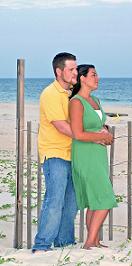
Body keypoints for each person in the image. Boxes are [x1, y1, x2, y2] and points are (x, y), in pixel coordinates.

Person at [32, 52, 79, 252]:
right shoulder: (50, 94)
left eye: (76, 69)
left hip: (73, 154)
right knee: (55, 200)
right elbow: (62, 127)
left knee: (71, 203)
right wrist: (90, 136)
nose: (75, 72)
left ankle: (64, 243)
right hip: (55, 154)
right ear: (59, 72)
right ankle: (42, 245)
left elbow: (77, 122)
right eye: (71, 69)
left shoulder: (70, 94)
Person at [69, 64, 118, 249]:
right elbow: (77, 133)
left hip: (99, 154)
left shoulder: (95, 100)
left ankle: (95, 241)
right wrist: (102, 136)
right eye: (93, 75)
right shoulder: (76, 102)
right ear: (82, 78)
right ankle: (89, 243)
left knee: (94, 200)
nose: (97, 78)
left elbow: (96, 124)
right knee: (105, 197)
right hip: (85, 153)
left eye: (97, 74)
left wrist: (104, 130)